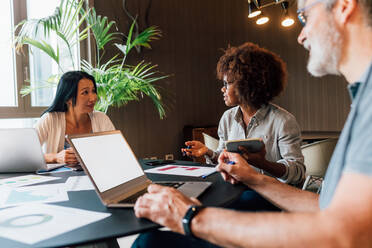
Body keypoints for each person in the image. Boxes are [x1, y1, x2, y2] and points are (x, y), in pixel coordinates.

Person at [132, 0, 372, 247]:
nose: (301, 36)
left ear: (344, 6)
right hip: (260, 194)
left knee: (149, 242)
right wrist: (253, 176)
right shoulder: (361, 99)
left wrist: (191, 216)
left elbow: (349, 234)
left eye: (304, 16)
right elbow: (326, 208)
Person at [182, 42, 305, 186]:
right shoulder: (227, 118)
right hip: (235, 188)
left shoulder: (283, 121)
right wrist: (208, 152)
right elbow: (225, 158)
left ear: (246, 84)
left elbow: (297, 173)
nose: (223, 90)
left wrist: (262, 163)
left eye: (227, 84)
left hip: (269, 194)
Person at [35, 71, 115, 164]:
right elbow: (27, 155)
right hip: (60, 177)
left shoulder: (101, 119)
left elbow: (116, 152)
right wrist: (55, 157)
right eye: (85, 92)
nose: (93, 98)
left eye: (93, 91)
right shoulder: (50, 119)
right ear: (68, 98)